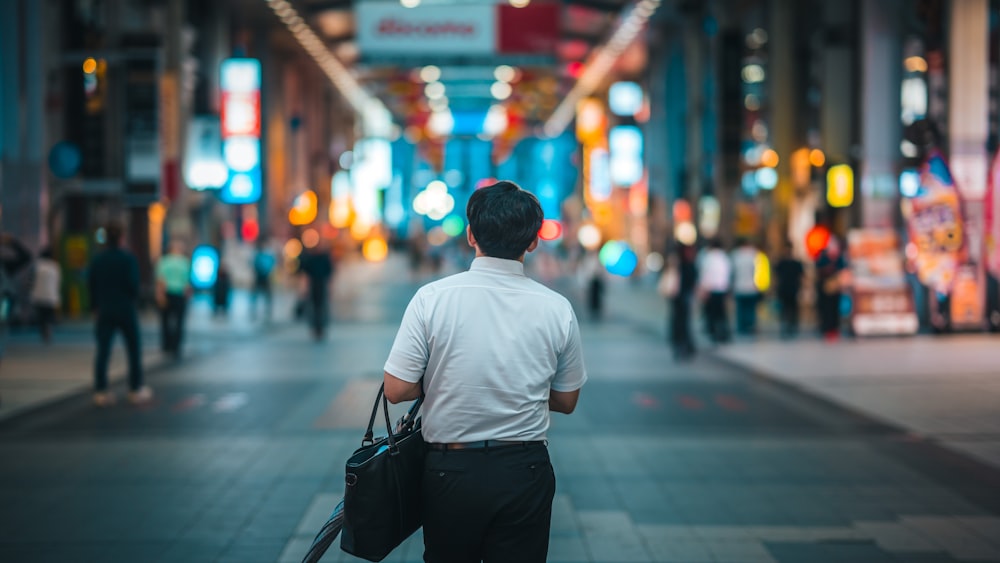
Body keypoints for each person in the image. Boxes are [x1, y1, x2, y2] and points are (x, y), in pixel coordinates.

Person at [382, 181, 587, 563]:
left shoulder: (432, 299)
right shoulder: (557, 308)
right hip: (524, 469)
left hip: (449, 470)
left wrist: (455, 381)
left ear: (471, 236)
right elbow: (567, 399)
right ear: (532, 242)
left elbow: (395, 389)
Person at [87, 222, 150, 406]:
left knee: (103, 350)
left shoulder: (98, 260)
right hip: (125, 309)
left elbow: (91, 285)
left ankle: (101, 390)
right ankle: (135, 388)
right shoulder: (128, 259)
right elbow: (133, 285)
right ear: (122, 238)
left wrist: (95, 307)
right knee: (133, 349)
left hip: (104, 309)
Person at [155, 240, 191, 358]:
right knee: (179, 321)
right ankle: (176, 346)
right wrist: (188, 296)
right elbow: (187, 282)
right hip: (179, 294)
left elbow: (160, 280)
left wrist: (160, 294)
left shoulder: (164, 261)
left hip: (167, 293)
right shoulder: (184, 262)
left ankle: (166, 345)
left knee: (165, 321)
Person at [664, 243, 698, 360]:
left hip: (681, 296)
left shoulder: (685, 264)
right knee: (681, 321)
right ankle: (683, 344)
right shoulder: (680, 264)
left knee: (682, 321)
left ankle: (685, 344)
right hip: (679, 297)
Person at [698, 239, 732, 343]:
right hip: (722, 288)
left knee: (712, 313)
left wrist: (703, 288)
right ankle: (723, 334)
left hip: (711, 289)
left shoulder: (708, 257)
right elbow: (728, 274)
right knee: (721, 313)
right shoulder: (725, 258)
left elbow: (704, 274)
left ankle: (714, 333)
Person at [298, 244, 333, 340]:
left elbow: (329, 274)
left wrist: (330, 288)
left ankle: (320, 327)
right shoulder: (311, 259)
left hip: (321, 284)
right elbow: (305, 274)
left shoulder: (323, 258)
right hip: (313, 285)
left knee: (321, 307)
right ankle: (315, 327)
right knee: (314, 307)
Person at [815, 236, 846, 341]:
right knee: (826, 309)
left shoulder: (839, 258)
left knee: (835, 309)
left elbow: (843, 269)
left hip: (836, 287)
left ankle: (834, 329)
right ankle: (826, 329)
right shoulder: (823, 257)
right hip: (824, 288)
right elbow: (818, 268)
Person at [773, 241, 805, 338]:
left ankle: (793, 326)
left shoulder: (796, 263)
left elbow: (802, 276)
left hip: (793, 289)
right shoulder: (781, 263)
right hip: (784, 289)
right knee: (784, 309)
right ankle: (785, 326)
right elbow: (776, 276)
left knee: (793, 308)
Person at [30, 247, 61, 343]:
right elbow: (58, 281)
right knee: (49, 315)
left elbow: (32, 280)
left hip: (38, 295)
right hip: (51, 295)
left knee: (41, 316)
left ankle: (44, 332)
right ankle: (49, 330)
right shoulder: (55, 266)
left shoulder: (37, 266)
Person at [731, 238, 761, 335]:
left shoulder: (735, 255)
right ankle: (750, 326)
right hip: (752, 286)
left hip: (739, 286)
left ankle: (742, 328)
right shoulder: (754, 254)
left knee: (741, 309)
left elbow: (732, 272)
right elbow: (759, 271)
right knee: (750, 309)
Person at [250, 240, 276, 320]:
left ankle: (267, 310)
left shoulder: (265, 255)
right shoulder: (259, 255)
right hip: (260, 277)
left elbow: (272, 263)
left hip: (264, 277)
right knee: (257, 294)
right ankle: (254, 310)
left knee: (266, 295)